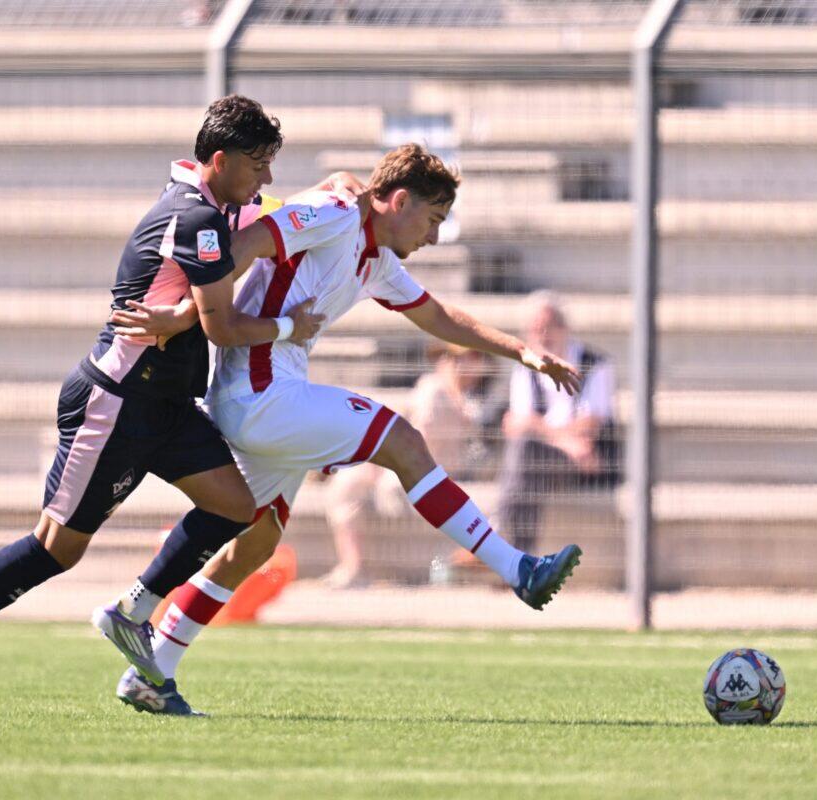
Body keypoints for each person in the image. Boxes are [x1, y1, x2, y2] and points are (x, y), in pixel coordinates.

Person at [0, 95, 351, 700]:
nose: (266, 177)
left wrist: (342, 189)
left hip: (164, 406)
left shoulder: (215, 206)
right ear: (219, 159)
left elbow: (278, 216)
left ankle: (133, 611)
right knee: (55, 549)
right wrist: (294, 328)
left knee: (238, 507)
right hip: (115, 404)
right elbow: (222, 326)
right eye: (258, 163)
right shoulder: (198, 220)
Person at [107, 144, 584, 715]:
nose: (433, 238)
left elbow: (438, 317)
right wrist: (186, 314)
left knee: (252, 545)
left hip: (268, 394)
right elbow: (242, 247)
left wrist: (521, 351)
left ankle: (152, 670)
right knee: (403, 441)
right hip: (259, 393)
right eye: (432, 221)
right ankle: (517, 568)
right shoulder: (335, 210)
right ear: (399, 199)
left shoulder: (377, 258)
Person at [320, 343, 488, 588]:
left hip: (441, 474)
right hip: (409, 467)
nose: (455, 365)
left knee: (379, 483)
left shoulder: (479, 394)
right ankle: (353, 567)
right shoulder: (431, 387)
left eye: (465, 358)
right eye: (449, 358)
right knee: (346, 483)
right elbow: (411, 431)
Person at [498, 291, 620, 554]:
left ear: (564, 328)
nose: (543, 336)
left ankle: (507, 549)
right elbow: (516, 426)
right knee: (524, 455)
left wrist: (536, 426)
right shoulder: (524, 369)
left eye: (548, 327)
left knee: (524, 457)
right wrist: (566, 441)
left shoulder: (596, 364)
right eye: (535, 330)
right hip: (563, 454)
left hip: (588, 465)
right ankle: (517, 558)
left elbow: (591, 423)